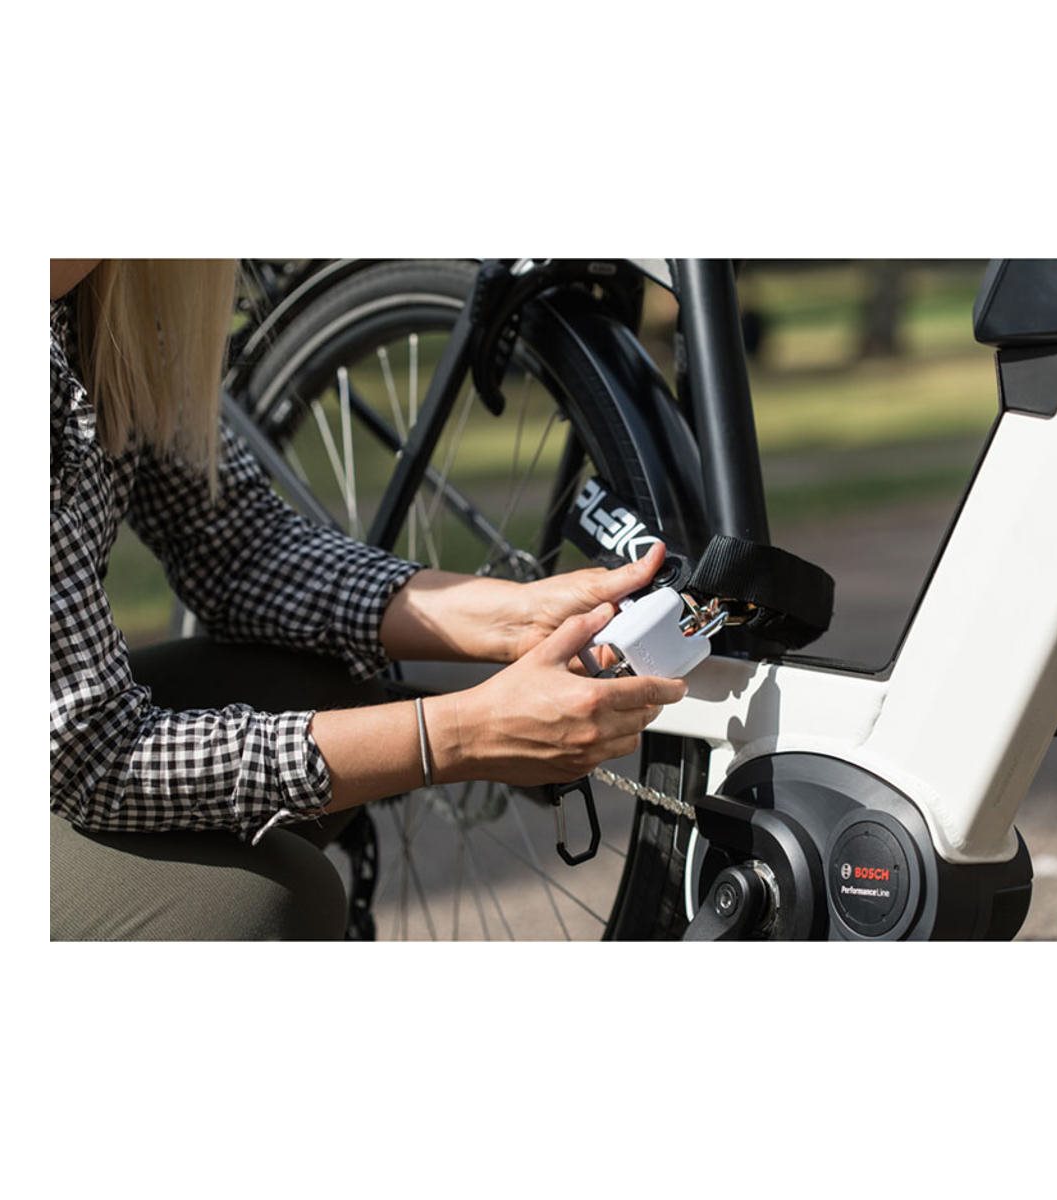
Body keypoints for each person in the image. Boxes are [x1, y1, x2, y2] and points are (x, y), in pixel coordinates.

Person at [50, 259, 685, 940]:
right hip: (74, 759)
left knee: (322, 689)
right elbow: (97, 755)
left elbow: (236, 547)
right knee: (257, 904)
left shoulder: (98, 309)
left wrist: (517, 614)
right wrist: (462, 734)